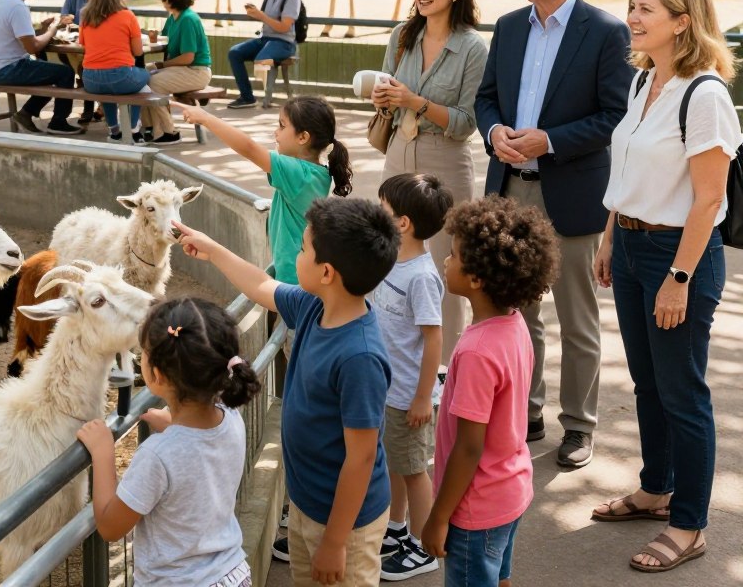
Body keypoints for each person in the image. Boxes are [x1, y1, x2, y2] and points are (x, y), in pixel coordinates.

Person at [591, 0, 741, 573]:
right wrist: (608, 240)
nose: (633, 16)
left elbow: (708, 200)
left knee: (683, 392)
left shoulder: (704, 95)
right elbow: (626, 173)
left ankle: (689, 525)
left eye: (646, 8)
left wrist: (678, 279)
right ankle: (656, 490)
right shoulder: (643, 80)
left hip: (678, 255)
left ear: (683, 21)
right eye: (632, 6)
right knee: (647, 381)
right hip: (628, 247)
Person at [474, 0, 633, 469]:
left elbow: (616, 117)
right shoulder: (509, 26)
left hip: (571, 196)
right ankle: (528, 411)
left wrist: (551, 141)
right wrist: (494, 132)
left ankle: (579, 426)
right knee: (519, 313)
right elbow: (487, 99)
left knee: (577, 318)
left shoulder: (607, 32)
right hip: (510, 190)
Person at [177, 196, 399, 587]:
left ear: (327, 272)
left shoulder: (359, 357)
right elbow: (262, 284)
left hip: (345, 525)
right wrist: (212, 251)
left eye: (302, 248)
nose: (296, 255)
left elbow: (362, 458)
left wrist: (334, 542)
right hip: (307, 502)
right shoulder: (317, 307)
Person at [421, 197, 560, 587]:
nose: (446, 261)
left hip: (474, 509)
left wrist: (438, 517)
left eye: (452, 255)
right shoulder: (515, 325)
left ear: (477, 278)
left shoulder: (476, 351)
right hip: (510, 491)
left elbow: (469, 447)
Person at [77, 297, 260, 587]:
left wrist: (103, 454)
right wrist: (176, 424)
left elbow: (111, 526)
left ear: (157, 375)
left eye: (144, 354)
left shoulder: (158, 456)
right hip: (232, 575)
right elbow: (197, 451)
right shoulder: (231, 415)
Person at [372, 0, 487, 365]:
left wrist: (415, 101)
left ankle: (443, 371)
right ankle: (392, 359)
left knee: (444, 267)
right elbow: (388, 99)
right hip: (398, 152)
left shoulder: (473, 48)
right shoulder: (401, 35)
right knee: (389, 253)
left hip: (447, 161)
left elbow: (466, 121)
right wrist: (384, 100)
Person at [173, 96, 351, 283]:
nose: (276, 132)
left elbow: (249, 148)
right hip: (302, 274)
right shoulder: (316, 171)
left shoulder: (298, 174)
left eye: (282, 126)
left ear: (303, 137)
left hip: (293, 279)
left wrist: (205, 118)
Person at [373, 173, 452, 582]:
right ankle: (395, 528)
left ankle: (425, 547)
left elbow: (434, 338)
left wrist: (423, 397)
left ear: (402, 222)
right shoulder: (392, 260)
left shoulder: (420, 275)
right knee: (396, 463)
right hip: (390, 389)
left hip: (408, 395)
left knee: (414, 470)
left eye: (382, 207)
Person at [0, 0, 84, 136]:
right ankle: (58, 122)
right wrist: (53, 28)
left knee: (49, 71)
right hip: (7, 69)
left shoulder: (0, 1)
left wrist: (43, 30)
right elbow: (32, 47)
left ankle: (26, 114)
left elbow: (24, 38)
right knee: (65, 73)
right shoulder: (17, 7)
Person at [139, 0, 213, 146]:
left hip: (196, 71)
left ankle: (168, 131)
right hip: (185, 69)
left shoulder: (188, 19)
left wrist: (161, 65)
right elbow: (164, 39)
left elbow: (189, 57)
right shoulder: (174, 17)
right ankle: (151, 127)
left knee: (154, 82)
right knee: (141, 76)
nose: (162, 2)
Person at [79, 0, 150, 143]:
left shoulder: (86, 15)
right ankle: (133, 128)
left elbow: (83, 45)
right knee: (146, 78)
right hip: (121, 76)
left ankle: (114, 131)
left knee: (107, 91)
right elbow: (138, 51)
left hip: (90, 79)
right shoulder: (128, 16)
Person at [227, 0, 300, 109]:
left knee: (262, 59)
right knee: (234, 53)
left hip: (283, 42)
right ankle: (247, 97)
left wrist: (261, 15)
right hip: (265, 38)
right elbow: (266, 18)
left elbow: (284, 27)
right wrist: (255, 13)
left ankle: (268, 95)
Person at [57, 0, 102, 126]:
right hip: (77, 44)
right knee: (80, 65)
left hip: (98, 44)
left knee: (85, 67)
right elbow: (63, 19)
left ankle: (92, 107)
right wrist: (66, 20)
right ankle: (94, 107)